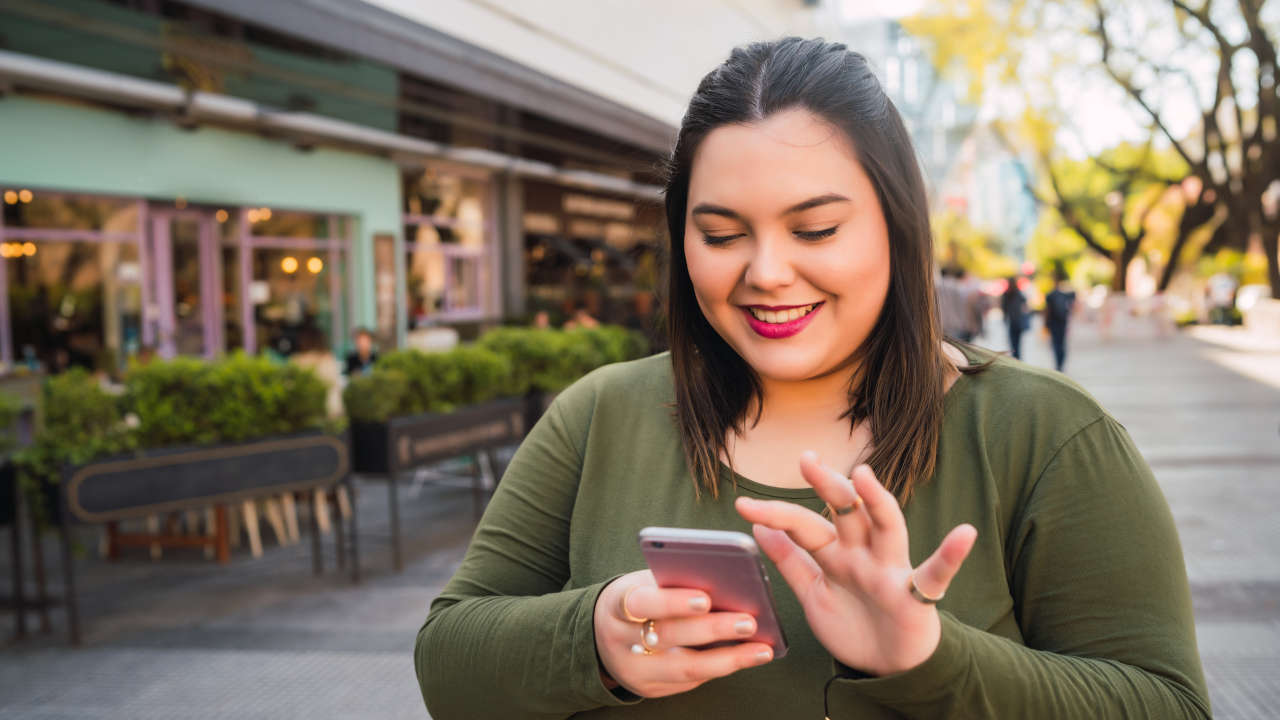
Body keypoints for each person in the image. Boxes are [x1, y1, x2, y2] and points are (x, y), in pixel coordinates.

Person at [415, 38, 1208, 719]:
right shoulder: (601, 414)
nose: (766, 272)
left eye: (815, 229)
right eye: (721, 233)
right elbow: (449, 661)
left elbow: (1165, 702)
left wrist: (928, 657)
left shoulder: (1044, 434)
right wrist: (596, 638)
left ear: (896, 224)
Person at [1044, 267, 1077, 372]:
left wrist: (1045, 323)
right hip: (1062, 322)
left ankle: (1059, 364)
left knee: (1056, 343)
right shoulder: (1064, 294)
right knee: (1061, 343)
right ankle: (1060, 363)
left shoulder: (1050, 295)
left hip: (1054, 322)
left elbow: (1047, 311)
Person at [1001, 277, 1028, 359]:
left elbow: (1004, 308)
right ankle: (1017, 356)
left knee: (1013, 342)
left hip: (1012, 321)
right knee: (1018, 342)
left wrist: (1005, 319)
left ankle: (1015, 356)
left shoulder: (1007, 294)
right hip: (1018, 320)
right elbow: (1025, 306)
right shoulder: (1019, 293)